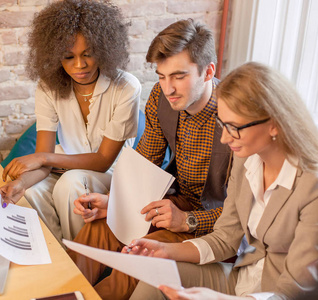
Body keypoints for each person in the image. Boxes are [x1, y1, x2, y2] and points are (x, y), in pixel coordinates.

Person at [124, 62, 318, 300]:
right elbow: (226, 237)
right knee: (157, 276)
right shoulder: (246, 158)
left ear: (274, 123)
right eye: (222, 125)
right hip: (245, 278)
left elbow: (295, 291)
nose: (225, 138)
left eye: (234, 127)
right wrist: (167, 251)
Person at [69, 20, 232, 299]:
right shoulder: (160, 98)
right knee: (97, 227)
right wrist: (117, 202)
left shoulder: (234, 119)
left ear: (208, 72)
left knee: (140, 253)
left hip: (213, 222)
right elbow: (144, 163)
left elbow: (242, 215)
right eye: (161, 76)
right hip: (172, 201)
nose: (168, 88)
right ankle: (61, 291)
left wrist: (187, 220)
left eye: (179, 76)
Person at [0, 0, 141, 243]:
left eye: (88, 54)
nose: (79, 65)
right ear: (54, 56)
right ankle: (59, 256)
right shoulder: (48, 88)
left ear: (104, 48)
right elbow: (43, 158)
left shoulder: (126, 87)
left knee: (71, 185)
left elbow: (103, 161)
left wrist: (43, 158)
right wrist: (20, 183)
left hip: (110, 173)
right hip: (61, 166)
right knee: (30, 193)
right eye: (68, 56)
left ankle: (82, 258)